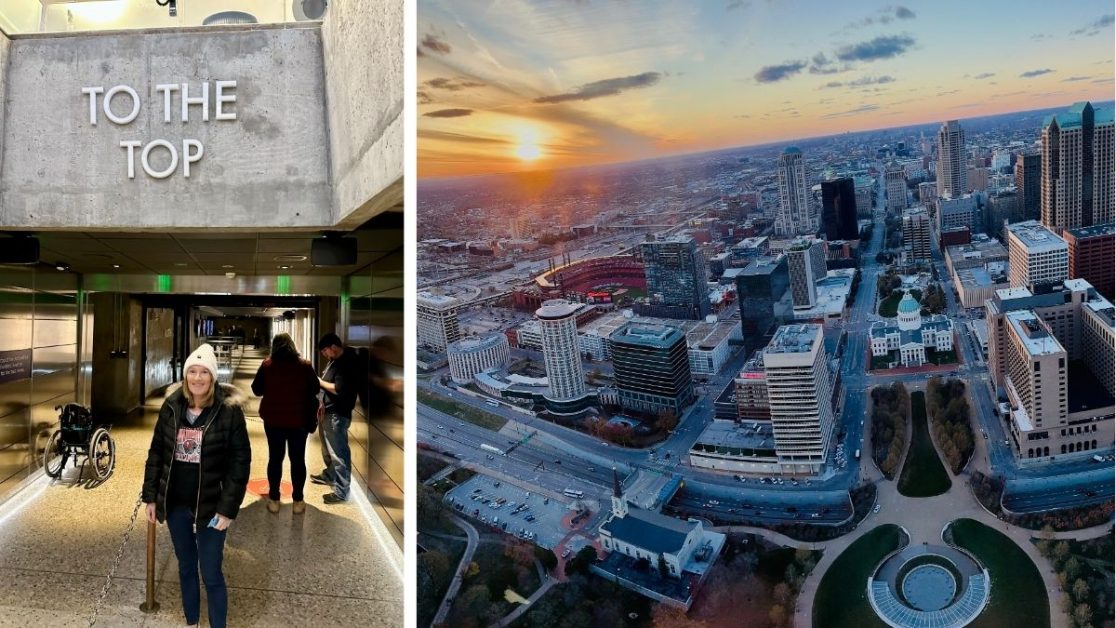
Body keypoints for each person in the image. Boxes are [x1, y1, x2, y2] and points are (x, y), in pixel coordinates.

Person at [142, 343, 251, 628]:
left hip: (212, 505)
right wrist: (151, 497)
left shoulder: (227, 412)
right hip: (177, 503)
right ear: (185, 375)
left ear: (213, 377)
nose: (198, 378)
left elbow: (240, 463)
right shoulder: (171, 406)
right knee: (186, 565)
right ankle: (192, 621)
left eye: (204, 372)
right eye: (193, 371)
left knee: (211, 572)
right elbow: (156, 452)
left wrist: (228, 510)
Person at [251, 333, 319, 514]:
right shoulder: (305, 366)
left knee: (275, 458)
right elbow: (315, 389)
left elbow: (256, 390)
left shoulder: (267, 365)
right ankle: (298, 501)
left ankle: (274, 500)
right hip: (299, 421)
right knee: (298, 460)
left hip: (274, 421)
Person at [311, 332, 361, 504]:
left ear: (333, 347)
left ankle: (341, 491)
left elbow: (338, 388)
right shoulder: (336, 360)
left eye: (325, 351)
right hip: (328, 412)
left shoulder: (346, 363)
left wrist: (318, 381)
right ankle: (329, 475)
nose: (324, 355)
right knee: (327, 450)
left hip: (337, 415)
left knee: (339, 453)